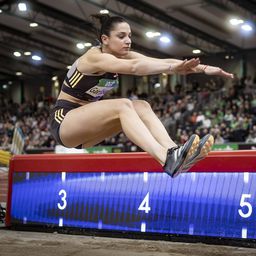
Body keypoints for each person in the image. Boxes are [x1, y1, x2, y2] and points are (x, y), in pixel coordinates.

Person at [50, 14, 233, 178]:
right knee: (123, 105)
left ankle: (174, 152)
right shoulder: (94, 57)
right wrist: (172, 68)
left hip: (87, 130)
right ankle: (165, 159)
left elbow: (160, 62)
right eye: (121, 36)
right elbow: (135, 68)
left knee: (142, 106)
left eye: (130, 36)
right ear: (105, 39)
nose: (128, 41)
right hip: (65, 121)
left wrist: (204, 68)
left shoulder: (124, 55)